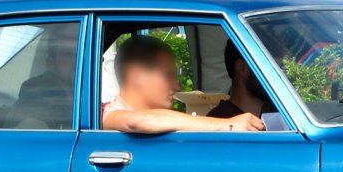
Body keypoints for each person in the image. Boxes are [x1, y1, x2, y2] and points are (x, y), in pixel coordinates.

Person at [103, 34, 263, 135]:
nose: (176, 86)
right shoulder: (109, 113)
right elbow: (136, 121)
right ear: (137, 75)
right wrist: (228, 125)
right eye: (168, 75)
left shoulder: (157, 121)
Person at [207, 39, 271, 120]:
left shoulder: (281, 116)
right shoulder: (217, 122)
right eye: (268, 68)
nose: (275, 78)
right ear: (242, 68)